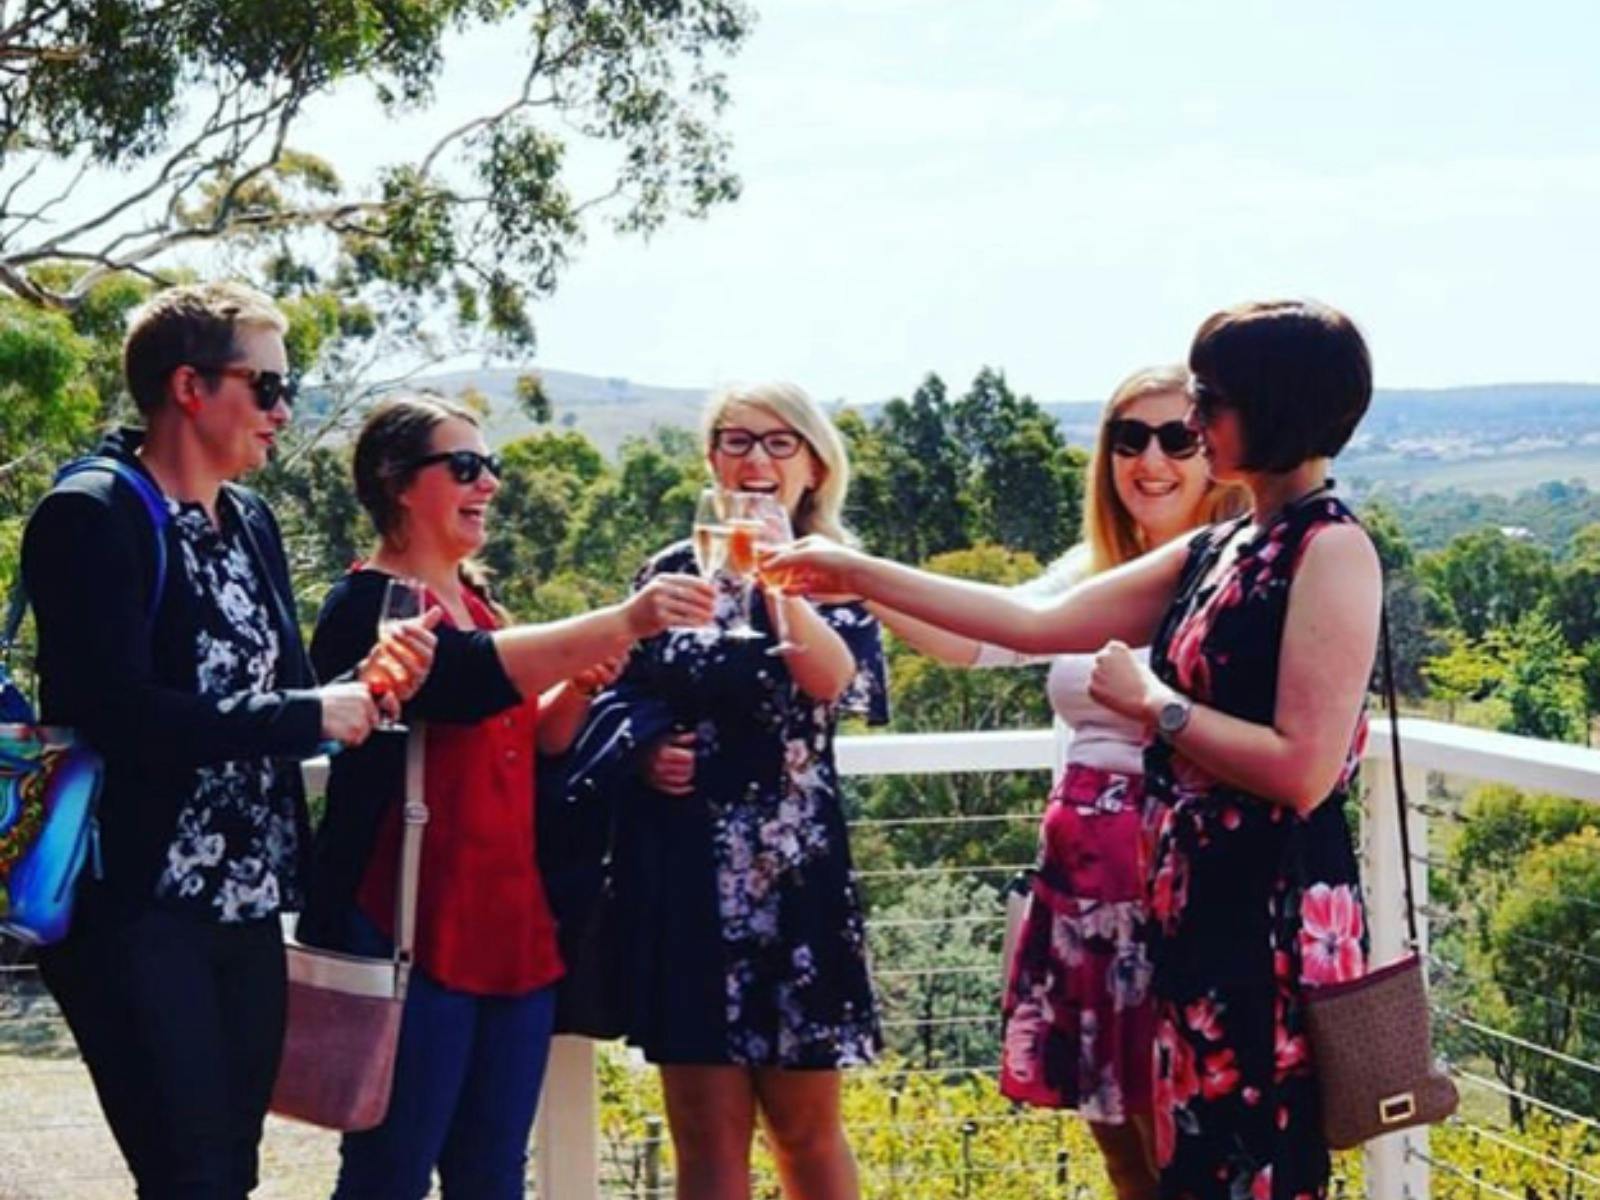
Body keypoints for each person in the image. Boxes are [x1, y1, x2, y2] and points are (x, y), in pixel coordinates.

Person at [769, 300, 1380, 1198]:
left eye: (1208, 400)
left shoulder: (1331, 549)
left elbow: (1303, 769)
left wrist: (1158, 708)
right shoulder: (1223, 544)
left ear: (1274, 406)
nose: (1193, 419)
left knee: (1251, 1173)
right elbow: (1033, 621)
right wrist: (855, 572)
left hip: (1264, 929)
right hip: (1186, 920)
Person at [21, 281, 437, 1198]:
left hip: (247, 904)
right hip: (134, 902)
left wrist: (363, 685)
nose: (284, 410)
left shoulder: (247, 520)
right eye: (269, 386)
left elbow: (281, 692)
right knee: (191, 1177)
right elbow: (118, 714)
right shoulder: (91, 514)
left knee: (230, 1171)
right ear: (189, 387)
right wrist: (307, 712)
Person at [300, 394, 715, 1200]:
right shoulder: (368, 608)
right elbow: (459, 683)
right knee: (389, 1173)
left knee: (494, 1176)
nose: (487, 483)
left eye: (489, 466)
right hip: (410, 924)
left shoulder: (483, 608)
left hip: (509, 921)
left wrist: (579, 689)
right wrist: (622, 622)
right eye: (464, 467)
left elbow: (536, 744)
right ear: (396, 482)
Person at [870, 365, 1242, 1200]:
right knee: (1119, 1147)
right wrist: (857, 580)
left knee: (1183, 1149)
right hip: (1081, 886)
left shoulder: (1231, 569)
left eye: (1177, 438)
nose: (1151, 459)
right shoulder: (1091, 567)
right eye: (1129, 438)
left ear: (1214, 451)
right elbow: (980, 640)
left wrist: (1156, 707)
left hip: (1174, 882)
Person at [566, 382, 889, 1200]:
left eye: (780, 442)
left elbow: (835, 684)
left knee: (805, 1134)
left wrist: (778, 580)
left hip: (796, 884)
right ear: (712, 460)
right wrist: (646, 754)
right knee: (706, 1140)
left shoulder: (839, 573)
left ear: (814, 465)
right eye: (736, 440)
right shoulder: (671, 572)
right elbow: (622, 689)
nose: (756, 459)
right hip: (685, 883)